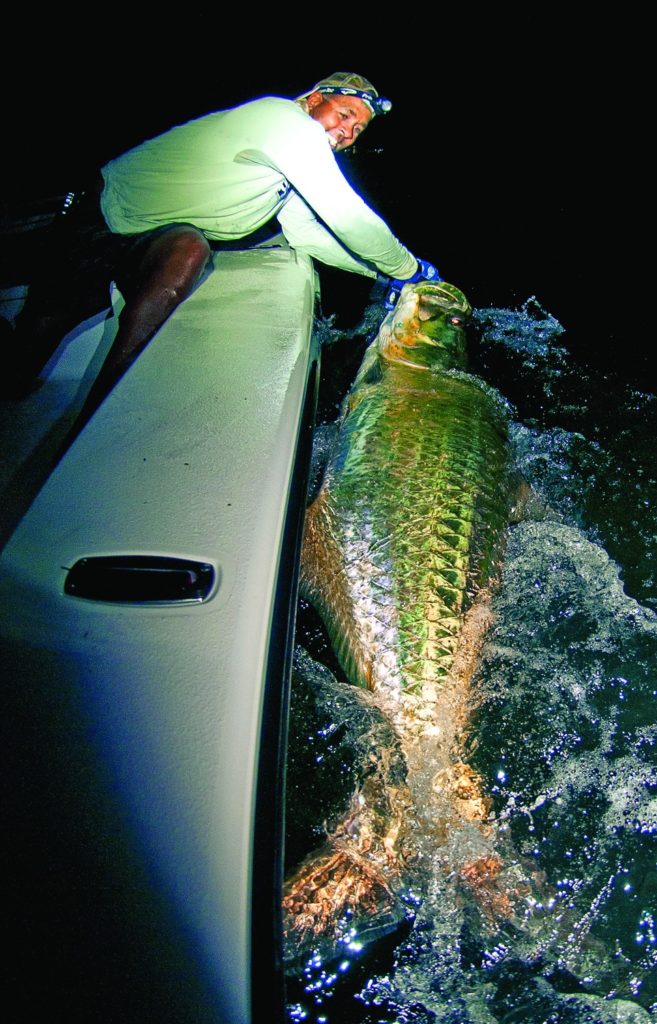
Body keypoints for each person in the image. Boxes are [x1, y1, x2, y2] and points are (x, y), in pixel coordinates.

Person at [4, 72, 440, 413]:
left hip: (155, 236)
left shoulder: (289, 165)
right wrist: (409, 269)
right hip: (100, 220)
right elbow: (344, 213)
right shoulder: (283, 122)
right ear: (313, 100)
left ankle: (106, 405)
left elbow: (307, 233)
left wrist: (385, 277)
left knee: (189, 250)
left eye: (358, 130)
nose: (347, 132)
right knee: (24, 361)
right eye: (344, 115)